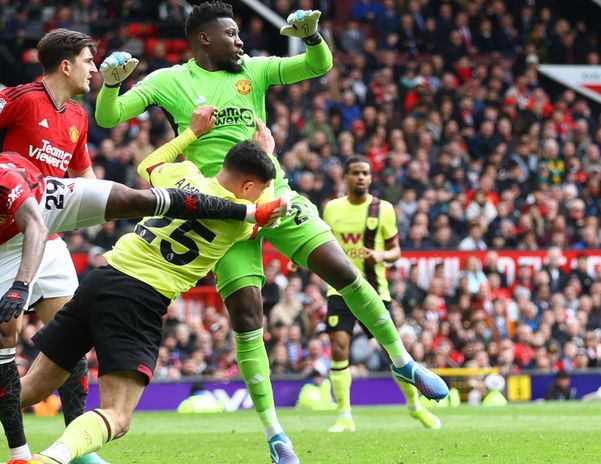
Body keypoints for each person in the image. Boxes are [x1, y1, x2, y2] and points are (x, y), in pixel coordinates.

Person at [95, 3, 448, 460]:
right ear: (204, 38)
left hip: (276, 196)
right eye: (232, 33)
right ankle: (276, 434)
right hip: (223, 214)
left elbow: (317, 66)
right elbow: (109, 116)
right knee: (247, 319)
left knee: (342, 270)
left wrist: (313, 37)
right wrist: (108, 86)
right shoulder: (168, 81)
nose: (240, 41)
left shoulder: (254, 71)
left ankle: (403, 362)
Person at [0, 109, 287, 464]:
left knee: (34, 384)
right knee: (117, 416)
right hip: (140, 298)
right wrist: (267, 154)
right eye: (259, 184)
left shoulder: (181, 176)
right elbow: (269, 214)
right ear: (252, 185)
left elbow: (149, 163)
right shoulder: (239, 221)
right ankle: (50, 459)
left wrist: (190, 133)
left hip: (102, 278)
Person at [0, 29, 101, 464]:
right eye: (89, 62)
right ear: (66, 65)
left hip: (46, 239)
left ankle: (77, 446)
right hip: (0, 238)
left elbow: (84, 178)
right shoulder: (22, 97)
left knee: (73, 338)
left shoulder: (77, 117)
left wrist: (110, 213)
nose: (95, 70)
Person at [322, 156, 441, 432]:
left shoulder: (383, 209)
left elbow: (396, 250)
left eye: (365, 173)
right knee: (339, 349)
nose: (361, 177)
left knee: (393, 354)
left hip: (375, 290)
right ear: (347, 177)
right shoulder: (332, 209)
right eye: (355, 173)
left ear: (371, 178)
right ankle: (344, 416)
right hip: (338, 289)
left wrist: (380, 255)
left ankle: (415, 407)